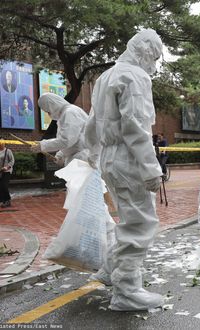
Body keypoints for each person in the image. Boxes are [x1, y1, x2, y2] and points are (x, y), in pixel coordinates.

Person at [84, 29, 164, 311]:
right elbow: (136, 125)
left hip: (110, 157)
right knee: (139, 223)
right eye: (154, 57)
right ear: (144, 51)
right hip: (128, 159)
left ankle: (110, 270)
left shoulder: (106, 76)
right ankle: (127, 290)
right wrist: (151, 168)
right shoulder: (135, 77)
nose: (154, 64)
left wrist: (93, 153)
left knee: (127, 218)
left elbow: (92, 123)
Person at [31, 93, 88, 166]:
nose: (48, 114)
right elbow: (71, 140)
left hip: (83, 159)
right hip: (79, 159)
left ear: (52, 106)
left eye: (48, 111)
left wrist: (43, 145)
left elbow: (66, 140)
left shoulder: (70, 112)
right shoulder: (66, 114)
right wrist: (61, 155)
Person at [0, 140, 15, 208]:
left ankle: (8, 200)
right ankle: (2, 201)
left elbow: (12, 161)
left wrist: (7, 167)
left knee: (4, 186)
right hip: (0, 171)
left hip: (7, 171)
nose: (1, 145)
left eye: (2, 143)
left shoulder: (8, 151)